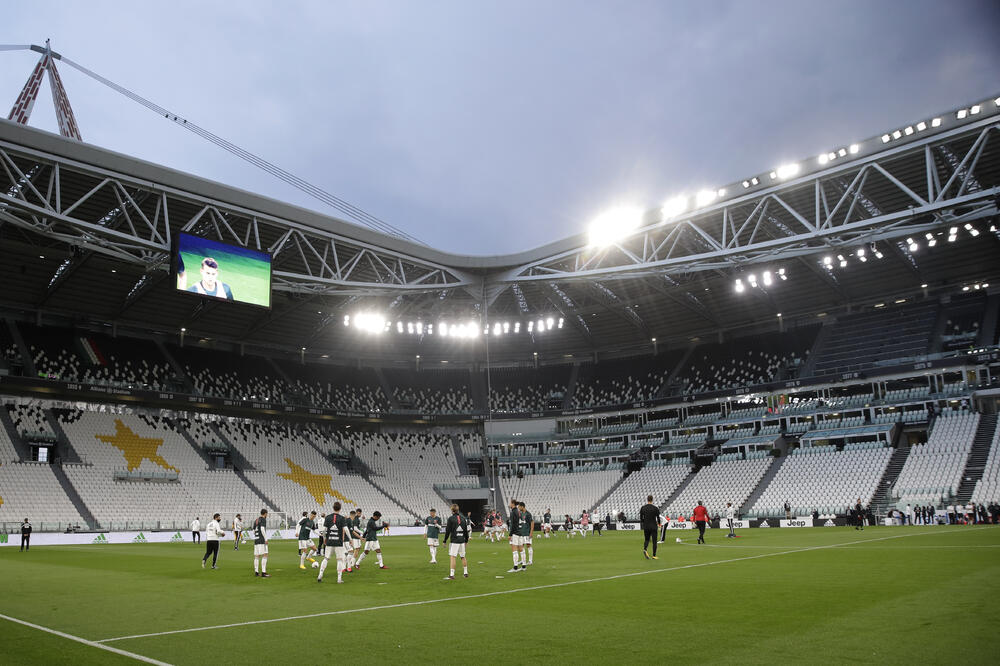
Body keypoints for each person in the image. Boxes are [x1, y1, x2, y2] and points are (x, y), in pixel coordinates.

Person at [317, 502, 350, 584]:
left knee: (326, 558)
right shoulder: (342, 518)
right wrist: (350, 539)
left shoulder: (328, 517)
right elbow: (346, 529)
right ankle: (339, 578)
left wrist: (324, 538)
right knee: (339, 560)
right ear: (340, 508)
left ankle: (320, 575)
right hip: (338, 542)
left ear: (333, 508)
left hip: (329, 541)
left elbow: (324, 530)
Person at [443, 503, 470, 579]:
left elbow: (448, 531)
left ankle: (452, 574)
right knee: (463, 556)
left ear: (452, 510)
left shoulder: (451, 519)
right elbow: (465, 531)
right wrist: (466, 541)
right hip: (462, 540)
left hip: (454, 541)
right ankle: (465, 573)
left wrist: (444, 541)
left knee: (453, 557)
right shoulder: (463, 518)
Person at [639, 495, 660, 560]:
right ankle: (654, 555)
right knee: (654, 541)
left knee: (647, 539)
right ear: (652, 500)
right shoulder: (655, 508)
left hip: (646, 526)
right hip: (653, 526)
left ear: (647, 499)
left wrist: (644, 522)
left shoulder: (643, 508)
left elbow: (641, 518)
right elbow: (658, 517)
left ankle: (645, 549)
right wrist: (659, 524)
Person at [507, 498, 524, 572]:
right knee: (521, 550)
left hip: (515, 533)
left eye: (510, 503)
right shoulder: (518, 511)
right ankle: (523, 566)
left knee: (514, 550)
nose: (509, 504)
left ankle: (515, 568)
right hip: (520, 532)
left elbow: (513, 524)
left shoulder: (513, 512)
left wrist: (510, 534)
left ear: (513, 504)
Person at [252, 509, 270, 577]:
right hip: (261, 540)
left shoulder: (256, 520)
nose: (267, 515)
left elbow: (253, 531)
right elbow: (262, 529)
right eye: (267, 514)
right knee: (265, 554)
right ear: (265, 514)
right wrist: (266, 538)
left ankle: (256, 572)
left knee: (257, 556)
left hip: (256, 540)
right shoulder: (263, 519)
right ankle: (263, 572)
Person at [517, 502, 534, 567]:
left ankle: (530, 561)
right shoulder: (521, 514)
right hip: (522, 533)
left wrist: (531, 532)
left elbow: (532, 523)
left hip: (527, 532)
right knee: (521, 546)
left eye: (519, 507)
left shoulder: (528, 514)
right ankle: (523, 560)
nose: (518, 508)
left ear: (522, 506)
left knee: (528, 545)